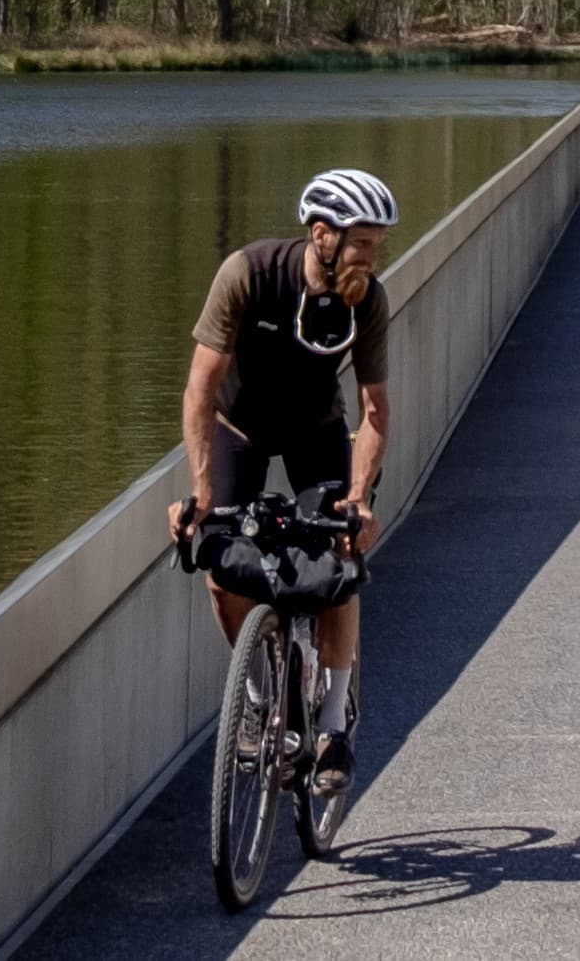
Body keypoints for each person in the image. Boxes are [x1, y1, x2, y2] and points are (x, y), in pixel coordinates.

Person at [173, 167, 397, 799]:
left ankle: (331, 725)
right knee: (220, 564)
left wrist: (357, 499)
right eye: (363, 244)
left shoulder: (368, 302)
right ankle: (256, 693)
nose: (372, 257)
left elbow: (376, 411)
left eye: (378, 245)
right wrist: (199, 493)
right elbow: (199, 389)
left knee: (340, 558)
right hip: (238, 424)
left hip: (315, 429)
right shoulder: (249, 274)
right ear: (322, 235)